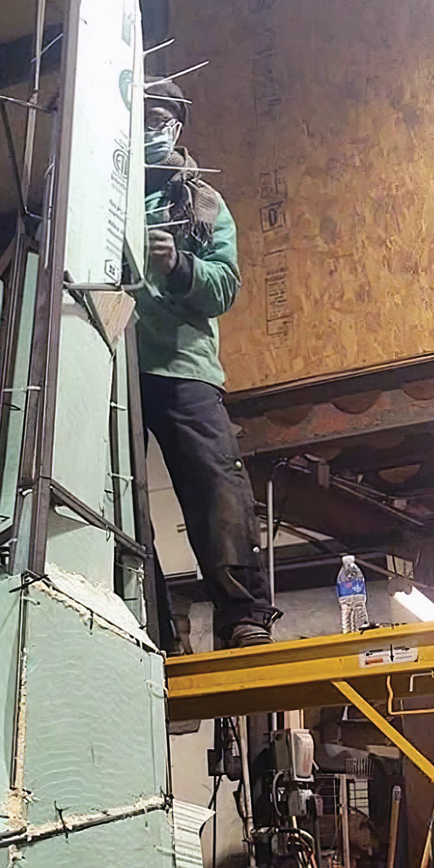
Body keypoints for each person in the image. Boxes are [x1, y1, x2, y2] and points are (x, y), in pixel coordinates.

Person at [135, 77, 275, 650]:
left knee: (216, 489)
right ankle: (154, 629)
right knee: (119, 503)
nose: (152, 126)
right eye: (143, 115)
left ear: (178, 125)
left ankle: (242, 617)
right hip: (112, 364)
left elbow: (224, 288)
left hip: (183, 368)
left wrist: (179, 267)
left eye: (162, 116)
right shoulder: (104, 189)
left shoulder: (203, 203)